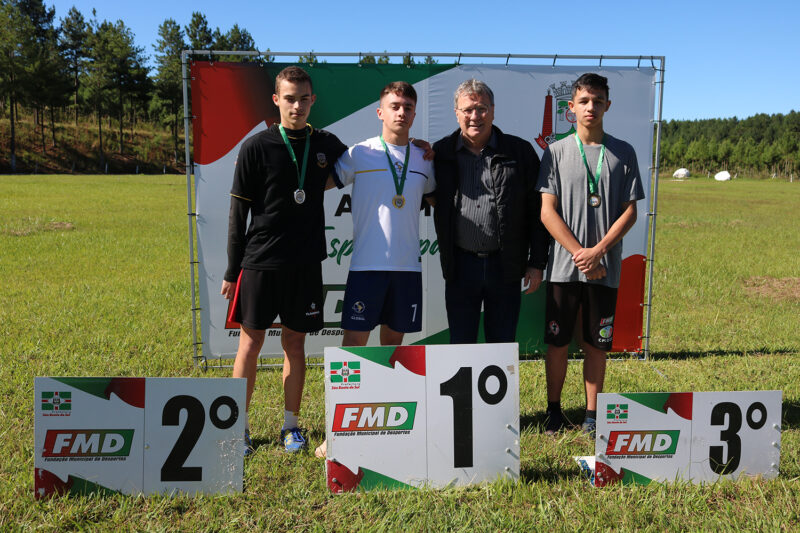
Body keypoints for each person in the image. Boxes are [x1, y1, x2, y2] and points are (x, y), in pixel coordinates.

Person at [221, 66, 347, 454]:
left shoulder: (326, 143)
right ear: (276, 100)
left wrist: (421, 148)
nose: (297, 105)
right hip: (260, 263)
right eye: (289, 98)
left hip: (306, 263)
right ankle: (236, 429)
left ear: (313, 101)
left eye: (303, 98)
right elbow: (236, 214)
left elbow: (371, 157)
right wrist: (232, 268)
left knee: (296, 345)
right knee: (250, 345)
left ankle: (291, 427)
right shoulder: (256, 147)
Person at [314, 81, 435, 459]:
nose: (401, 112)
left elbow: (436, 192)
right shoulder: (359, 153)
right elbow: (319, 181)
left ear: (415, 114)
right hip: (366, 266)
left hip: (407, 269)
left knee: (393, 350)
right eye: (394, 106)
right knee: (354, 351)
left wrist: (426, 148)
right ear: (380, 112)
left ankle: (385, 423)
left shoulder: (424, 160)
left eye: (408, 107)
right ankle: (338, 429)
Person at [536, 73, 645, 437]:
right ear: (572, 107)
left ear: (607, 106)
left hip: (605, 268)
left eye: (598, 101)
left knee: (597, 344)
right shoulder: (555, 152)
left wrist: (598, 252)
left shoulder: (623, 151)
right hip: (564, 269)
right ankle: (553, 411)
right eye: (584, 101)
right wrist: (580, 253)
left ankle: (592, 415)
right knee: (557, 342)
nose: (591, 107)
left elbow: (630, 211)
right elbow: (546, 211)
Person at [432, 79, 548, 344]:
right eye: (468, 110)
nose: (475, 116)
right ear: (457, 113)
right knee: (461, 344)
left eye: (482, 108)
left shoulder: (519, 152)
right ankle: (461, 388)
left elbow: (537, 211)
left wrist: (537, 262)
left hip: (505, 265)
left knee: (502, 343)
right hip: (461, 265)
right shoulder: (440, 153)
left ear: (493, 111)